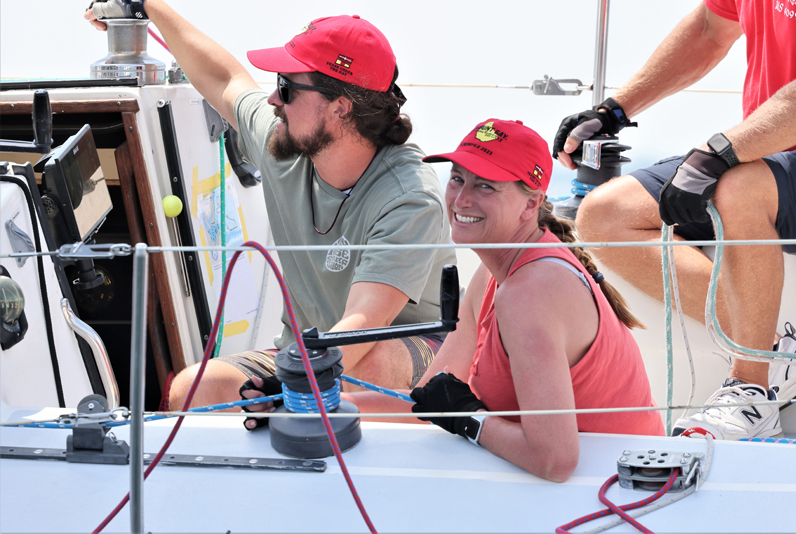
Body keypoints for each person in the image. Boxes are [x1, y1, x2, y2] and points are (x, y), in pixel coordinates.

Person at [85, 1, 456, 418]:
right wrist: (148, 5)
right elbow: (224, 79)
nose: (273, 98)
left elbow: (363, 322)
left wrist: (289, 385)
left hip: (416, 350)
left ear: (340, 107)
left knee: (361, 368)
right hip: (310, 352)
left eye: (287, 86)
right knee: (195, 389)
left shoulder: (408, 195)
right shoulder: (287, 144)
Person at [346, 119, 664, 482]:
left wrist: (468, 417)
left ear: (532, 204)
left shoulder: (529, 293)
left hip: (620, 488)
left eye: (485, 186)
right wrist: (318, 404)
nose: (462, 199)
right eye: (457, 179)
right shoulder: (493, 274)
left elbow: (555, 461)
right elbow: (428, 401)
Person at [552, 1, 796, 439]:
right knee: (606, 214)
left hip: (758, 166)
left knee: (736, 187)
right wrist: (614, 110)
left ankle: (751, 390)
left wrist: (720, 153)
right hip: (769, 156)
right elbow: (709, 30)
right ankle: (777, 354)